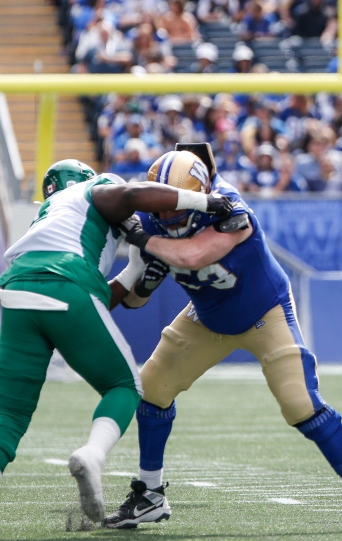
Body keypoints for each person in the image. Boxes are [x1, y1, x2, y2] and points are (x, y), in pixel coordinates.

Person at [102, 149, 342, 533]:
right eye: (160, 208)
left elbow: (194, 254)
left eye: (175, 208)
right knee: (152, 388)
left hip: (263, 311)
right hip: (206, 316)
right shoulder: (152, 218)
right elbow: (135, 301)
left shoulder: (227, 208)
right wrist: (144, 280)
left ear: (198, 195)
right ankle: (149, 494)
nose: (167, 217)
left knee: (299, 403)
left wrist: (141, 237)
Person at [0, 159, 230, 523]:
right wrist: (202, 201)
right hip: (66, 282)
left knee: (8, 412)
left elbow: (91, 304)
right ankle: (93, 455)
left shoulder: (50, 213)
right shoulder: (94, 188)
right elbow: (131, 194)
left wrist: (133, 271)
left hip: (16, 291)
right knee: (124, 385)